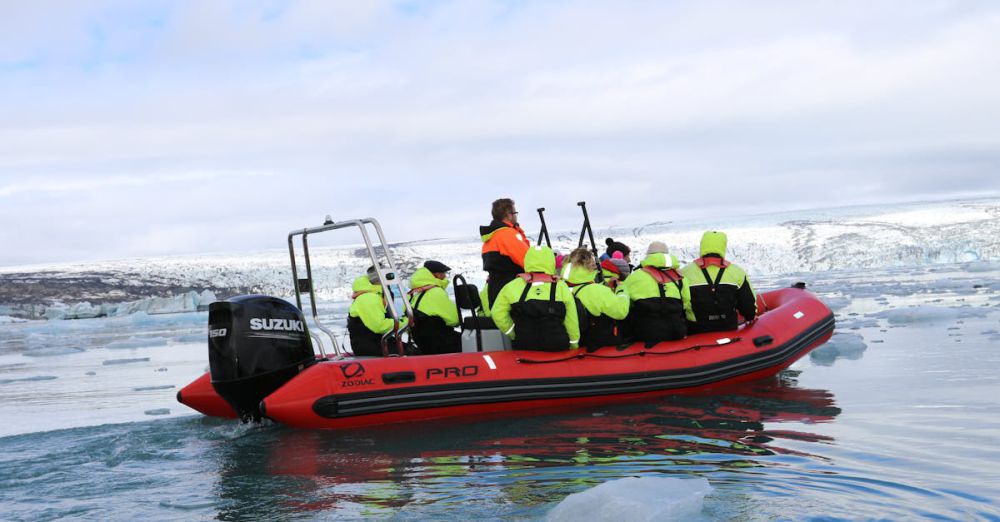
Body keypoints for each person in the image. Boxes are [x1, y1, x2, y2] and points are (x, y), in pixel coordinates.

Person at [491, 245, 580, 351]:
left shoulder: (512, 285)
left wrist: (513, 332)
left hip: (524, 345)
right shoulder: (561, 286)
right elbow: (571, 319)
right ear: (551, 261)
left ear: (527, 260)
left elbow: (497, 313)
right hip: (557, 345)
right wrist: (573, 344)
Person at [679, 231, 757, 333]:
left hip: (696, 332)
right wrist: (750, 317)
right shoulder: (737, 272)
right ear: (723, 246)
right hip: (729, 330)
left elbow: (678, 305)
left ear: (702, 246)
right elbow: (748, 307)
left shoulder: (684, 273)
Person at [623, 241, 692, 345]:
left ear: (649, 256)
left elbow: (624, 305)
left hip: (644, 335)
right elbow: (686, 303)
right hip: (676, 332)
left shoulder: (634, 277)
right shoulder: (680, 277)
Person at [563, 247, 630, 350]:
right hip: (598, 345)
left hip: (575, 342)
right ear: (589, 266)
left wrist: (604, 286)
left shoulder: (561, 287)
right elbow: (621, 311)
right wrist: (621, 289)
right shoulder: (597, 291)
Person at [480, 198, 531, 309]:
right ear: (508, 215)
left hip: (497, 291)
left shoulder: (491, 236)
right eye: (515, 213)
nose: (516, 216)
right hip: (513, 293)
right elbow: (528, 262)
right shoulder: (507, 234)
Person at [407, 260, 461, 354]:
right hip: (441, 343)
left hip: (421, 342)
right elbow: (454, 320)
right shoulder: (435, 292)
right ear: (435, 275)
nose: (444, 276)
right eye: (442, 273)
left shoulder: (413, 293)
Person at [347, 266, 397, 356]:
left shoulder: (378, 295)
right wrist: (403, 322)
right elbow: (379, 326)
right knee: (414, 353)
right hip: (372, 347)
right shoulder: (369, 298)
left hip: (377, 342)